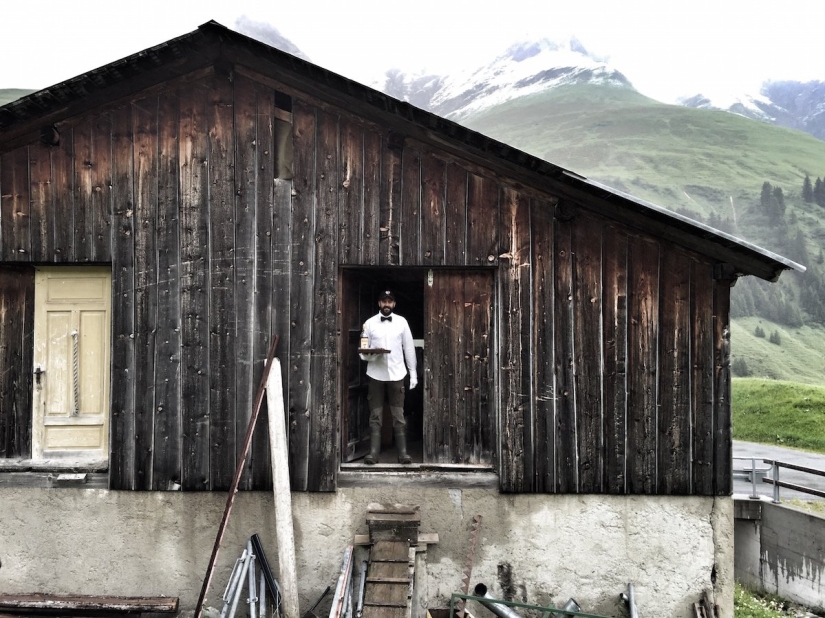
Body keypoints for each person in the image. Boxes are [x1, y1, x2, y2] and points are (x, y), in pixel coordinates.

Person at [359, 289, 418, 464]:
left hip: (397, 373)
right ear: (379, 304)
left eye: (389, 301)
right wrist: (371, 355)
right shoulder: (369, 324)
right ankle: (373, 453)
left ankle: (403, 454)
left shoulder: (402, 322)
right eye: (383, 301)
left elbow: (409, 348)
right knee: (375, 415)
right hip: (376, 374)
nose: (386, 304)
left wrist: (413, 373)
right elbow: (363, 350)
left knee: (398, 415)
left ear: (394, 304)